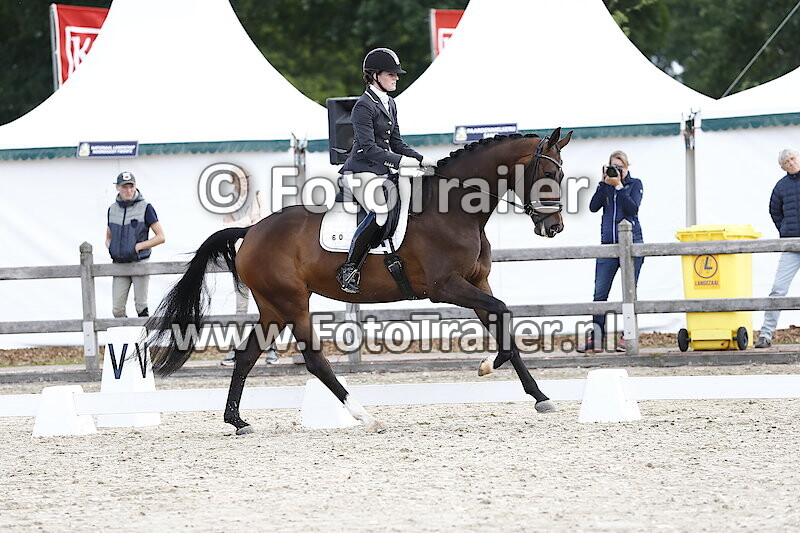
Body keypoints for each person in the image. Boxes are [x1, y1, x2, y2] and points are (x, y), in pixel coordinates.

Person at [336, 47, 438, 294]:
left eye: (395, 74)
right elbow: (370, 149)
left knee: (411, 198)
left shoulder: (390, 103)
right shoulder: (363, 106)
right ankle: (349, 268)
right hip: (360, 171)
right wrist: (402, 162)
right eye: (391, 74)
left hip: (381, 171)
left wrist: (422, 159)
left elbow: (397, 143)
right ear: (374, 75)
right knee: (381, 211)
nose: (396, 78)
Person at [577, 150, 644, 353]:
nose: (617, 171)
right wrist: (603, 183)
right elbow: (593, 207)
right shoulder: (606, 186)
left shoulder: (635, 184)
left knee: (629, 293)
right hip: (607, 245)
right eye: (613, 167)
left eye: (620, 167)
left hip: (632, 244)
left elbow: (632, 209)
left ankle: (628, 337)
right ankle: (596, 339)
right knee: (600, 293)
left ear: (627, 168)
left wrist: (620, 187)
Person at [218, 174, 280, 365]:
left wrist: (243, 224)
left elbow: (265, 220)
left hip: (261, 260)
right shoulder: (230, 203)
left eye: (245, 179)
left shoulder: (258, 196)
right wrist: (247, 222)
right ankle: (238, 348)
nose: (243, 183)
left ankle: (272, 347)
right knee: (241, 306)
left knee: (269, 305)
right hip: (241, 260)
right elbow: (226, 227)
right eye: (239, 180)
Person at [755, 148, 800, 348]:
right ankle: (765, 334)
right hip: (791, 245)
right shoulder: (780, 187)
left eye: (793, 158)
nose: (791, 163)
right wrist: (785, 229)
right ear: (783, 167)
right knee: (778, 290)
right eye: (786, 162)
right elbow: (774, 211)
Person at [106, 171, 165, 318]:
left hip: (139, 263)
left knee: (141, 306)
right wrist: (111, 247)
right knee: (117, 310)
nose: (128, 190)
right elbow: (108, 236)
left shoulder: (146, 207)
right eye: (124, 187)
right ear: (117, 188)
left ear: (135, 186)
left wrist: (139, 247)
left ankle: (143, 333)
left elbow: (161, 237)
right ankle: (126, 333)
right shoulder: (112, 209)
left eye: (131, 186)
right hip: (119, 265)